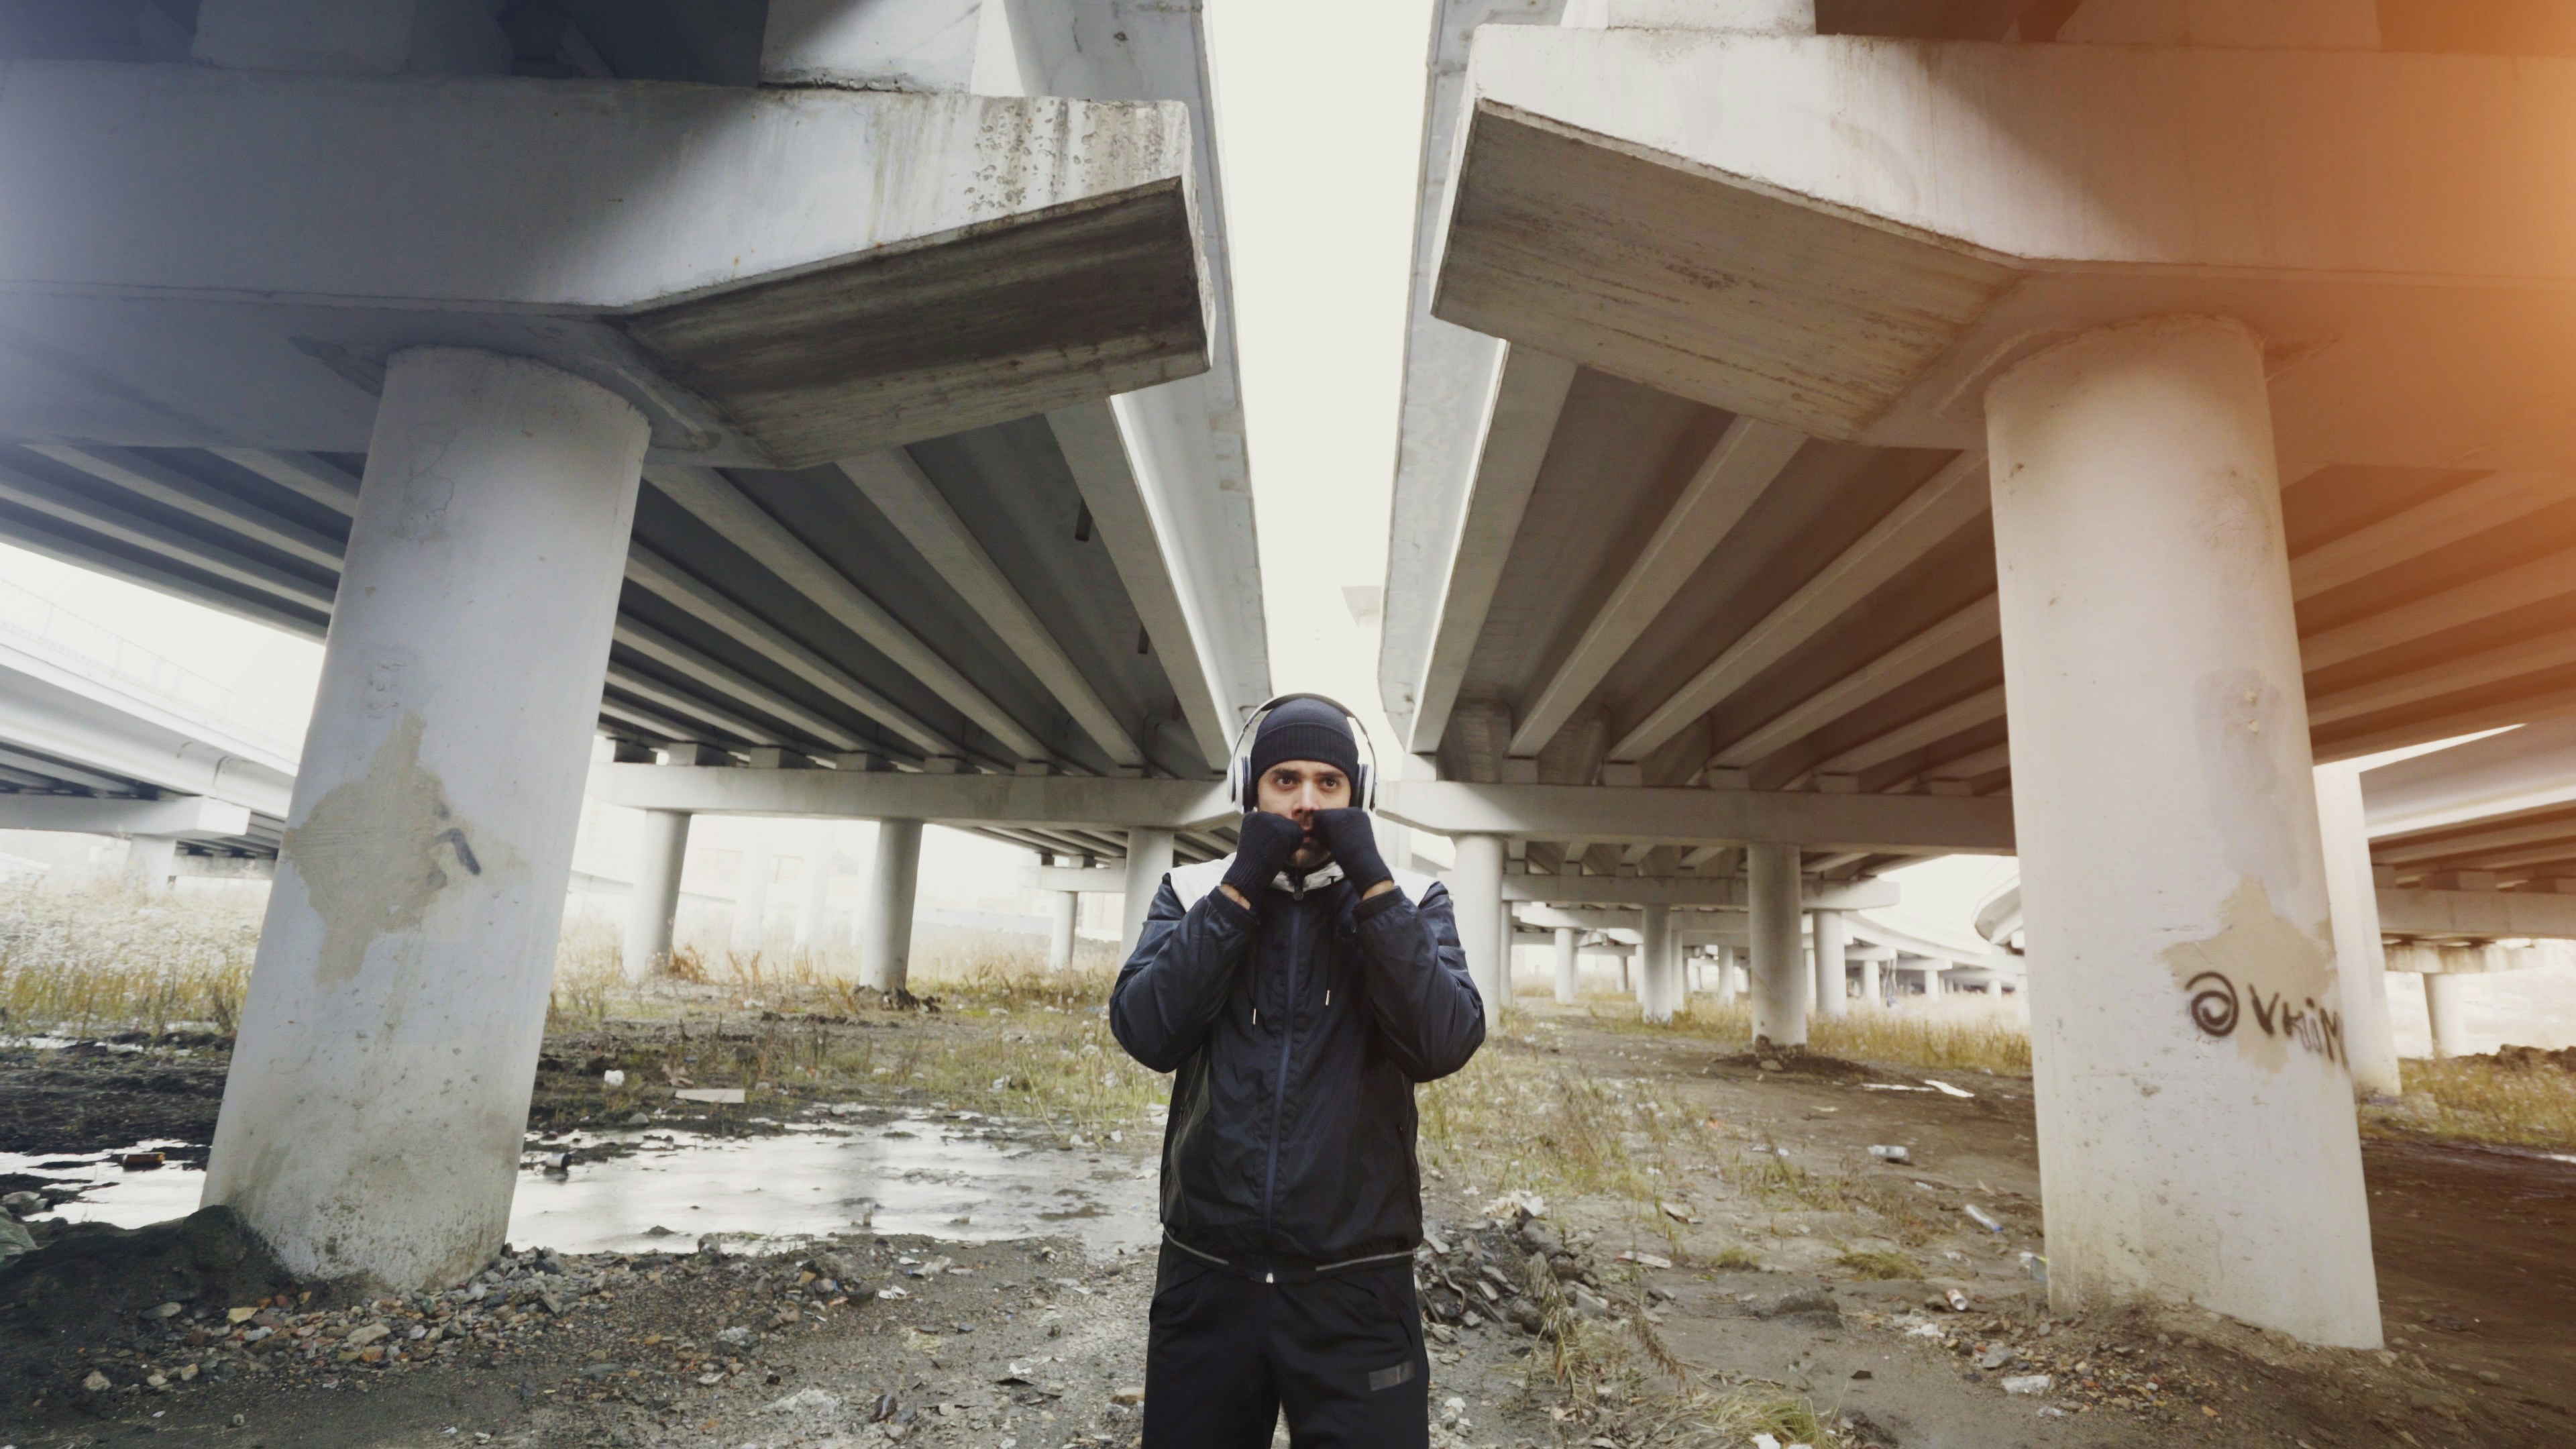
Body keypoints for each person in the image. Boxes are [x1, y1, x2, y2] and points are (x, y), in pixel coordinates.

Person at [1110, 697, 1485, 1448]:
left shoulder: (1410, 899)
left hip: (1358, 1287)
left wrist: (1373, 882)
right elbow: (1148, 1030)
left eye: (1328, 783)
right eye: (1285, 780)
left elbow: (1442, 1042)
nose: (1307, 802)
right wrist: (1240, 888)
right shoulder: (1192, 894)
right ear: (1251, 788)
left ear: (1358, 796)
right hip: (1209, 1278)